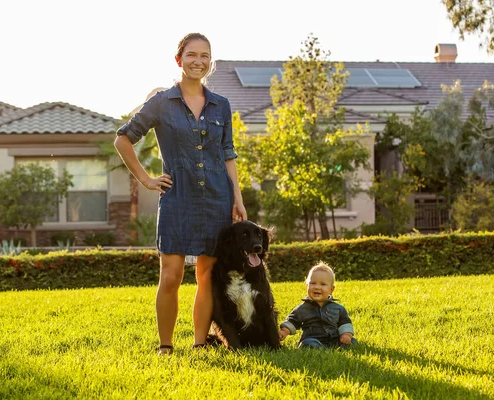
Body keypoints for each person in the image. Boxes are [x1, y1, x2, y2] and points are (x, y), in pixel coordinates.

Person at [114, 33, 247, 355]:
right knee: (171, 274)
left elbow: (227, 154)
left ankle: (201, 343)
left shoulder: (221, 105)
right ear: (179, 59)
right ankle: (165, 346)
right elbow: (123, 139)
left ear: (210, 63)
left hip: (217, 197)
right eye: (191, 55)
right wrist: (145, 179)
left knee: (207, 276)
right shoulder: (162, 102)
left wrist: (237, 199)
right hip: (178, 198)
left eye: (204, 56)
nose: (198, 61)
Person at [278, 262, 357, 349]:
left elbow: (345, 323)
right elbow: (292, 321)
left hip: (334, 339)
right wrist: (284, 331)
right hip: (313, 339)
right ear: (307, 286)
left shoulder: (338, 308)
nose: (317, 287)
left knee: (352, 341)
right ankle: (319, 348)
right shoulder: (303, 309)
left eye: (323, 284)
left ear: (331, 289)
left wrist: (346, 335)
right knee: (308, 343)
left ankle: (336, 346)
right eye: (313, 283)